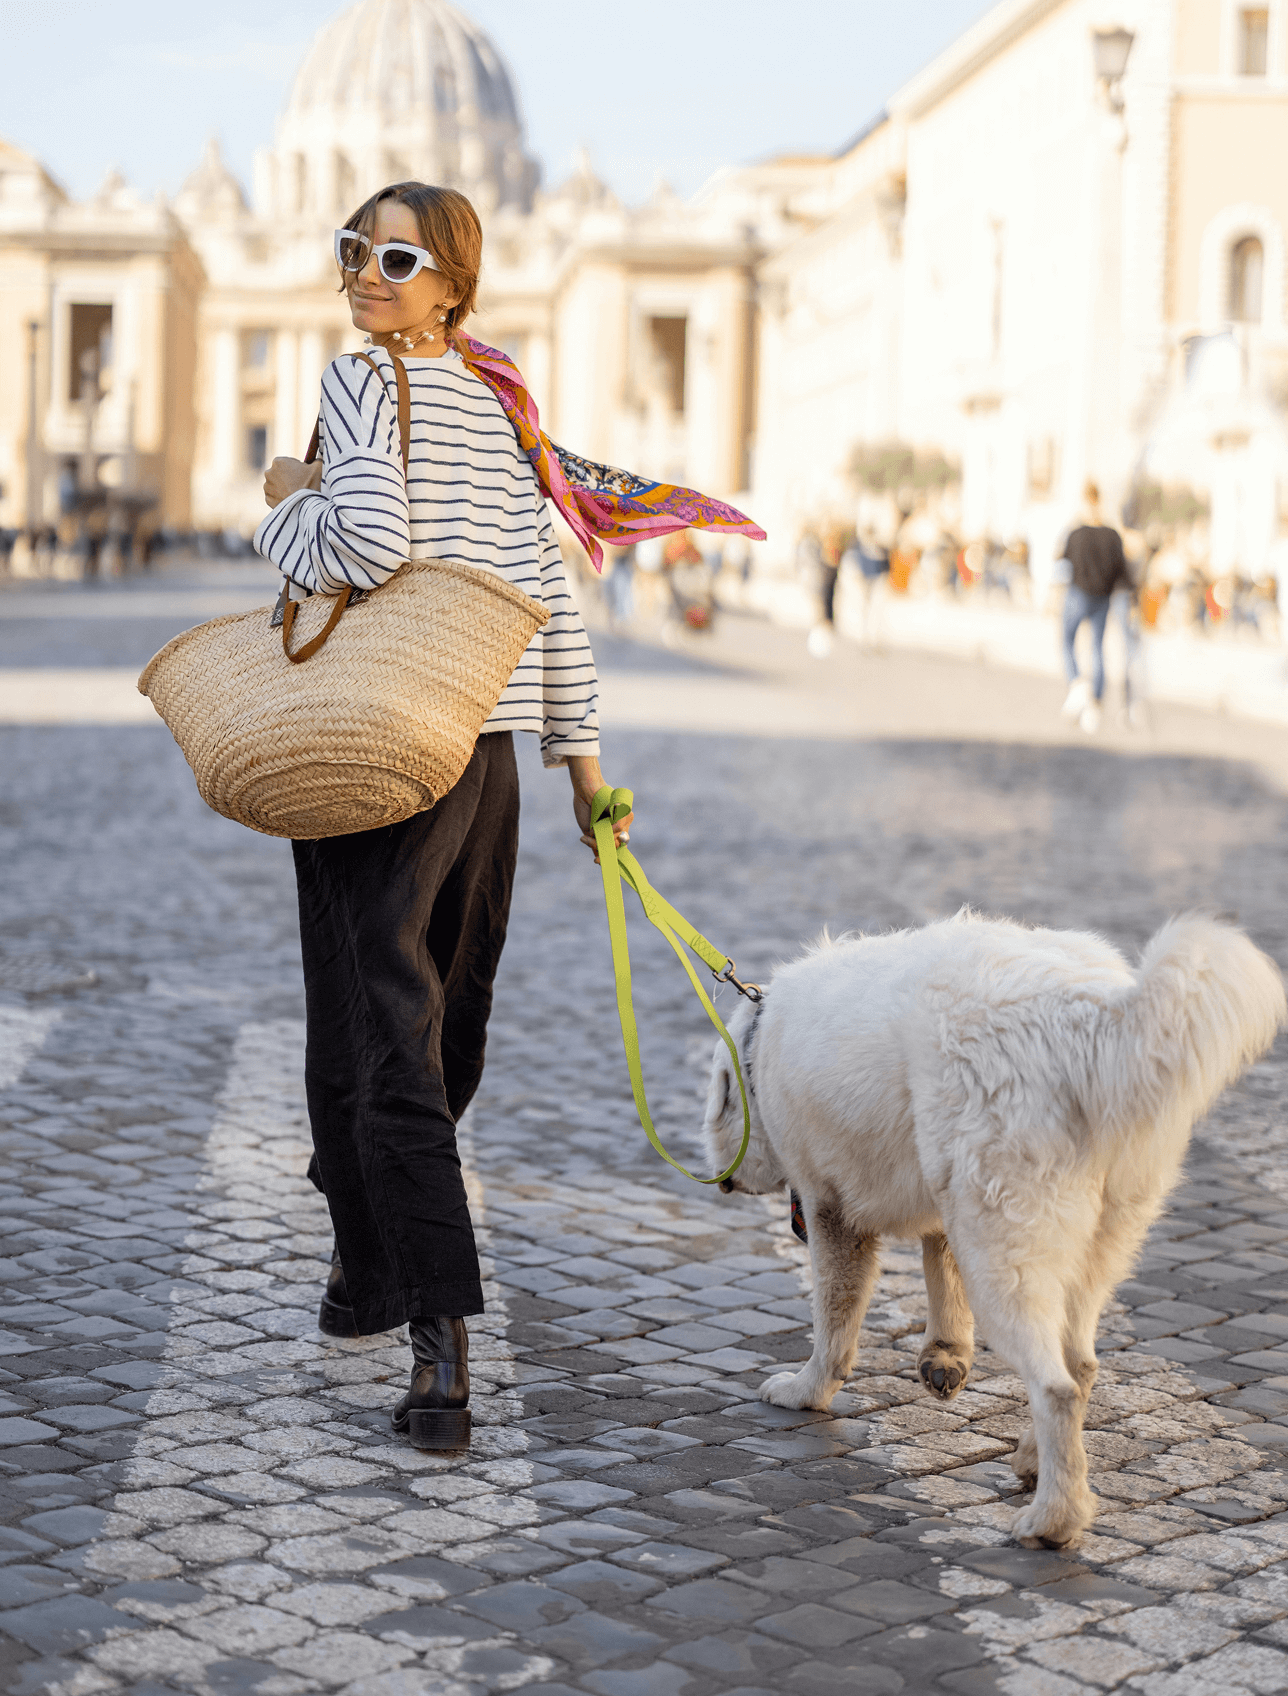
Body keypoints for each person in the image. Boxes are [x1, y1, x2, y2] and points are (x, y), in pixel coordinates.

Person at [253, 182, 761, 1449]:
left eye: (395, 259)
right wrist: (585, 773)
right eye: (353, 249)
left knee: (377, 1035)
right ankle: (369, 1258)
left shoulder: (361, 382)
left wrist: (281, 500)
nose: (364, 273)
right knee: (437, 1030)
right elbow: (551, 598)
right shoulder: (504, 405)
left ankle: (435, 1343)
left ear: (451, 283)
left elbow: (363, 547)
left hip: (378, 745)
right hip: (484, 767)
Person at [1059, 481, 1131, 733]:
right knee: (1097, 648)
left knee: (1067, 639)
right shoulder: (1112, 535)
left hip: (1078, 593)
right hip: (1103, 598)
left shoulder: (1077, 533)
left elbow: (1063, 563)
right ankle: (1095, 704)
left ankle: (1077, 683)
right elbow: (1122, 572)